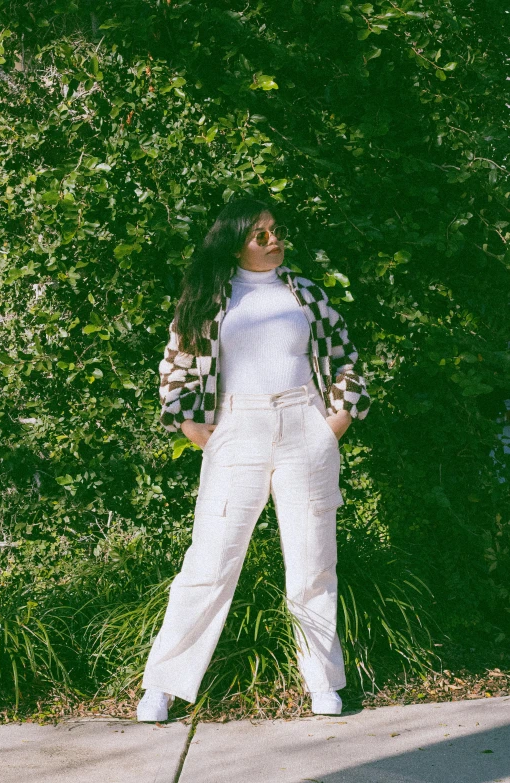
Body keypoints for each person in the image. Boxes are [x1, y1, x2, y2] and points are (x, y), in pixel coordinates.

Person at [137, 198, 371, 722]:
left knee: (313, 562)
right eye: (259, 234)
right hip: (236, 429)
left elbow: (345, 360)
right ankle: (164, 684)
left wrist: (333, 425)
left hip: (303, 427)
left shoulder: (304, 293)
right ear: (235, 241)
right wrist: (189, 426)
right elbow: (174, 365)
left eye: (275, 231)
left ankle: (323, 684)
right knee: (209, 561)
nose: (272, 240)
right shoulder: (207, 296)